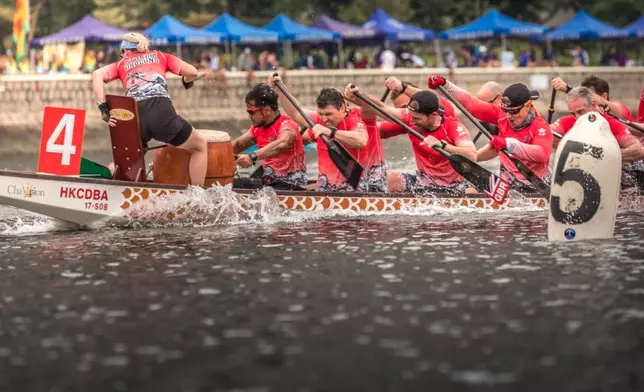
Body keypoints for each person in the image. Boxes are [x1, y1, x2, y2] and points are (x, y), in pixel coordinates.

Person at [92, 32, 208, 186]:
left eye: (122, 53)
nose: (122, 56)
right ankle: (197, 195)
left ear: (126, 50)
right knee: (199, 146)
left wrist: (103, 108)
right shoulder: (161, 56)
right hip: (161, 114)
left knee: (135, 151)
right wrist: (187, 80)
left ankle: (114, 181)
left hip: (134, 117)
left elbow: (97, 74)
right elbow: (193, 72)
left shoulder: (121, 64)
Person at [428, 75, 553, 192]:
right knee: (470, 191)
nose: (509, 116)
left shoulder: (541, 127)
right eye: (506, 110)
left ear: (527, 106)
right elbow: (471, 104)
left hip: (536, 188)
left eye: (514, 112)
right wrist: (446, 85)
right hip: (508, 187)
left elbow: (542, 154)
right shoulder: (501, 115)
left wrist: (508, 143)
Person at [347, 87, 477, 195]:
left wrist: (443, 145)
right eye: (411, 117)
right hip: (423, 183)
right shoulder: (409, 118)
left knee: (471, 193)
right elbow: (381, 107)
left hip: (456, 187)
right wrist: (359, 95)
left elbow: (472, 155)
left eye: (417, 119)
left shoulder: (454, 127)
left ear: (433, 115)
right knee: (388, 180)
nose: (413, 122)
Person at [268, 74, 369, 192]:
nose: (324, 119)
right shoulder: (319, 120)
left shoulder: (353, 120)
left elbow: (361, 140)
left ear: (342, 108)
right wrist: (280, 89)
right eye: (321, 114)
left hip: (353, 191)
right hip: (325, 189)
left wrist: (329, 132)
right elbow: (296, 112)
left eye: (328, 114)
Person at [551, 86, 644, 189]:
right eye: (573, 113)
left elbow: (639, 150)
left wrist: (603, 155)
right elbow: (548, 133)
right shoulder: (567, 121)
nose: (577, 117)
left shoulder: (611, 123)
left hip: (614, 178)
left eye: (581, 112)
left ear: (593, 104)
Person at [232, 83, 307, 190]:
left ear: (267, 110)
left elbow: (282, 143)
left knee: (232, 186)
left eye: (251, 112)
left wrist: (252, 157)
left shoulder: (287, 125)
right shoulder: (257, 128)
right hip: (269, 182)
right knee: (227, 183)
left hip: (291, 184)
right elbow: (237, 145)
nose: (249, 116)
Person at [551, 75, 634, 121]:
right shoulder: (586, 119)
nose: (585, 100)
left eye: (588, 96)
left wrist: (568, 89)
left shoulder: (620, 109)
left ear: (604, 96)